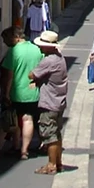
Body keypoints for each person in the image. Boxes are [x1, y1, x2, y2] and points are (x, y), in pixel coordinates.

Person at [0, 24, 42, 159]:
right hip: (32, 91)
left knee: (13, 121)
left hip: (16, 92)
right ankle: (24, 150)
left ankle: (13, 146)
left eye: (6, 39)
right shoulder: (36, 49)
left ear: (15, 37)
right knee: (28, 119)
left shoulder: (13, 52)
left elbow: (9, 76)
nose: (5, 43)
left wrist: (5, 94)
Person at [29, 30, 68, 174]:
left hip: (49, 102)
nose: (39, 47)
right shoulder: (59, 58)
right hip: (59, 100)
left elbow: (31, 74)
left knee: (49, 134)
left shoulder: (48, 60)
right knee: (56, 133)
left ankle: (51, 165)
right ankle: (58, 163)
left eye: (41, 45)